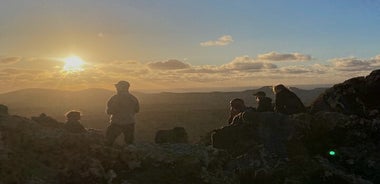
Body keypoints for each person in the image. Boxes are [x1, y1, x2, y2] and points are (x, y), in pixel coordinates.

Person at [105, 80, 140, 146]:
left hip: (116, 123)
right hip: (130, 123)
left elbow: (109, 112)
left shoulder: (114, 98)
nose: (116, 88)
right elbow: (137, 110)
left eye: (117, 86)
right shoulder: (133, 98)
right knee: (129, 144)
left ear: (120, 88)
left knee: (108, 142)